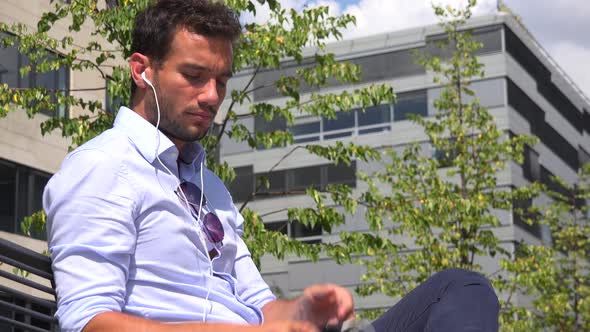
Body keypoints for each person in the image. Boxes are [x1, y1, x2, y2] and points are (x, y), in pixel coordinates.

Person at [42, 0, 500, 331]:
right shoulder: (102, 167)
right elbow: (89, 320)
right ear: (142, 70)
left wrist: (301, 312)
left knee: (460, 287)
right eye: (194, 76)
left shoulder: (209, 186)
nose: (212, 97)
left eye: (221, 81)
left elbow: (261, 307)